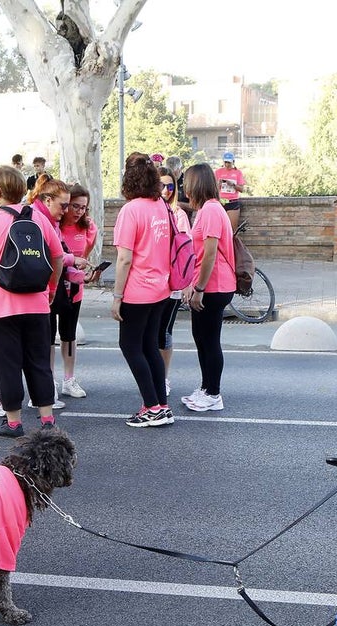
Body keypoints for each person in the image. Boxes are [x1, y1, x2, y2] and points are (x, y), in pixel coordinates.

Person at [0, 165, 64, 438]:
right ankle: (47, 420)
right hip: (37, 303)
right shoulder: (38, 218)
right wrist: (51, 287)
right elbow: (58, 256)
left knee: (6, 364)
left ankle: (14, 423)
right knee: (39, 361)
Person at [111, 152, 175, 427]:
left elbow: (125, 259)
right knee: (150, 346)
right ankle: (161, 405)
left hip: (137, 290)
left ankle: (152, 407)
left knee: (130, 345)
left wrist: (117, 297)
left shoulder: (131, 210)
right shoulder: (160, 204)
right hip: (161, 287)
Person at [180, 163, 236, 413]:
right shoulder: (206, 210)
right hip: (207, 285)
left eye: (186, 184)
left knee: (210, 340)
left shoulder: (211, 210)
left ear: (196, 185)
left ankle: (213, 393)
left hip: (214, 286)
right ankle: (206, 388)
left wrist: (199, 287)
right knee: (201, 338)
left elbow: (210, 254)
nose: (184, 189)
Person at [50, 181, 94, 399]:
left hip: (74, 291)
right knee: (48, 337)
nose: (79, 211)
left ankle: (69, 379)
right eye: (75, 206)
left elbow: (84, 259)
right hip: (51, 291)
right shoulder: (53, 226)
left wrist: (88, 274)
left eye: (84, 207)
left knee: (69, 336)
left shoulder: (88, 228)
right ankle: (48, 381)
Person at [157, 168, 191, 392]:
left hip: (173, 284)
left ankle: (164, 378)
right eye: (162, 185)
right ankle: (155, 376)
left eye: (171, 186)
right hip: (154, 283)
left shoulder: (178, 214)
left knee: (165, 332)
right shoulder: (150, 211)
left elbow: (187, 251)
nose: (167, 190)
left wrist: (188, 282)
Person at [214, 152, 245, 232]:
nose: (227, 164)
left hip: (233, 202)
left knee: (232, 230)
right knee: (219, 229)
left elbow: (241, 189)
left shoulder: (238, 173)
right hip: (220, 202)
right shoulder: (218, 172)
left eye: (229, 162)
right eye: (225, 162)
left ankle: (232, 244)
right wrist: (218, 184)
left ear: (233, 162)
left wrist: (233, 185)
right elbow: (213, 189)